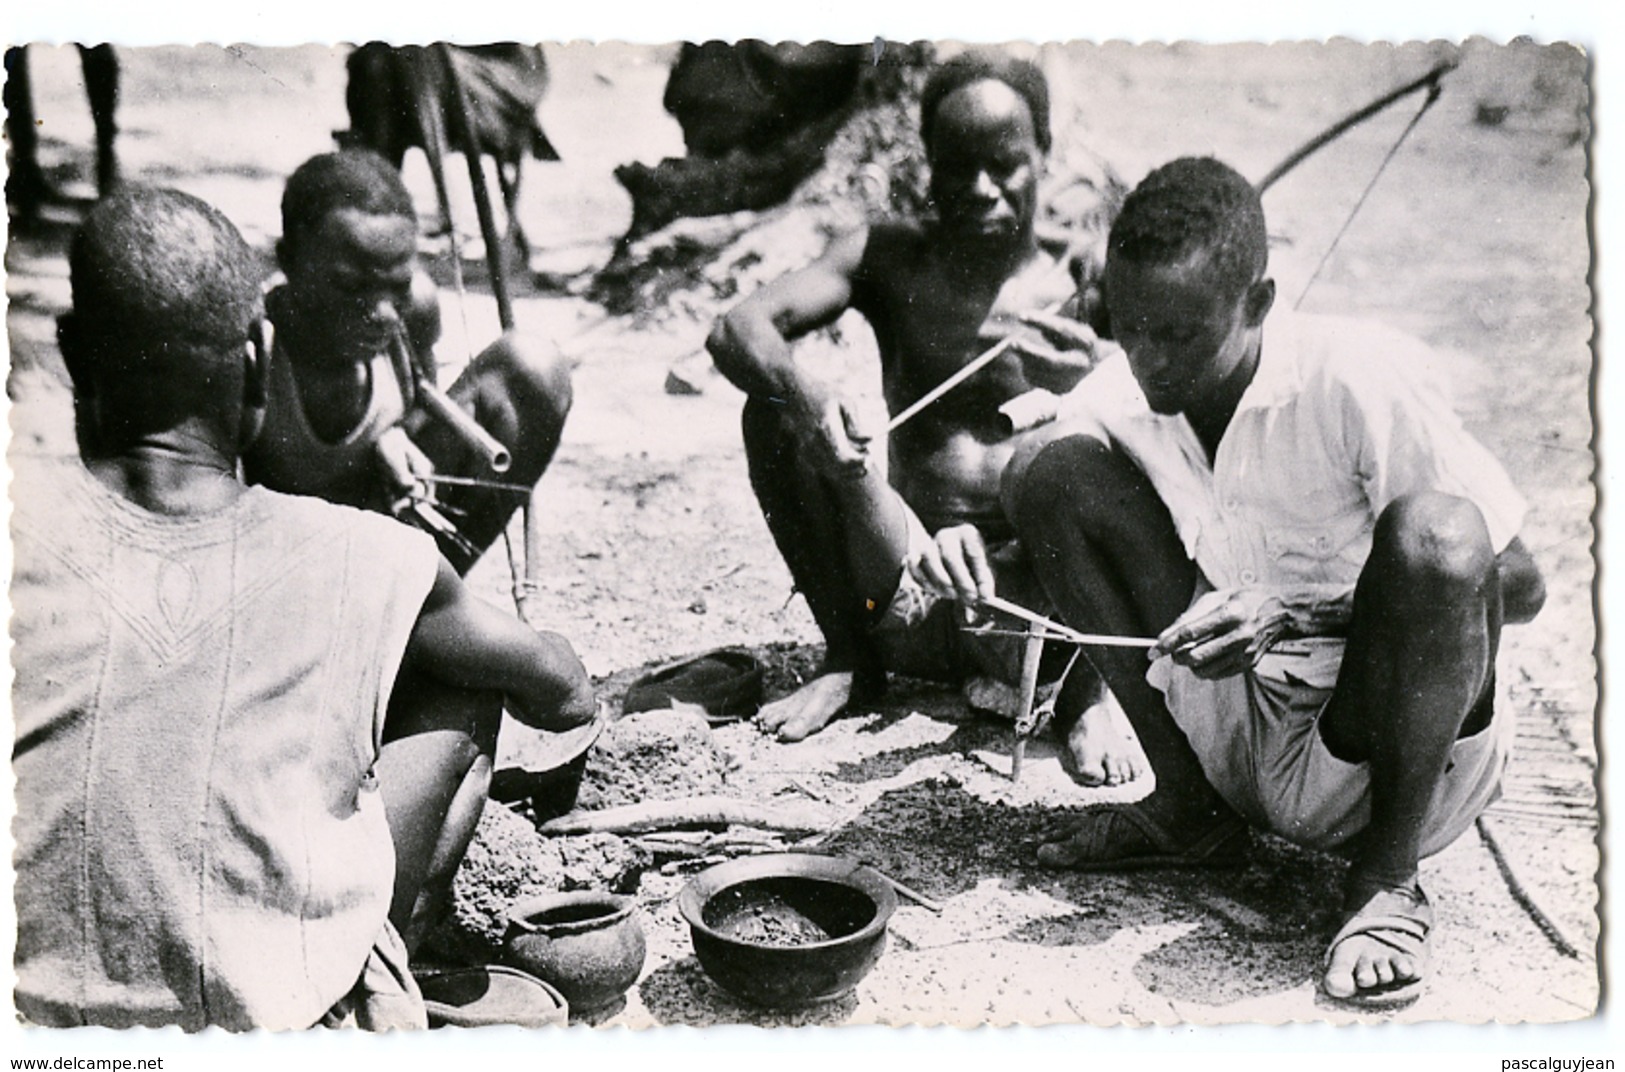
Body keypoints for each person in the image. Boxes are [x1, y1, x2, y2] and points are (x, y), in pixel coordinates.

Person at [11, 186, 596, 1030]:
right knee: (460, 680)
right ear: (257, 354)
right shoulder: (368, 556)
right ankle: (384, 954)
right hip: (274, 1023)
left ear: (72, 354)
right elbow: (563, 693)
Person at [993, 156, 1546, 1006]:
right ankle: (1188, 815)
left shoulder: (1353, 375)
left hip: (1379, 749)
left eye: (1179, 335)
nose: (1147, 360)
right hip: (1237, 737)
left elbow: (1515, 578)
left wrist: (1294, 615)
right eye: (1128, 325)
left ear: (1257, 302)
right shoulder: (1122, 389)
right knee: (1046, 469)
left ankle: (1386, 881)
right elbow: (1038, 520)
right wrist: (946, 550)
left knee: (1437, 536)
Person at [708, 51, 1136, 784]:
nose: (980, 189)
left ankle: (1085, 696)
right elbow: (735, 329)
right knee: (771, 412)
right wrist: (808, 397)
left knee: (1090, 459)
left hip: (1043, 607)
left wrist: (1100, 376)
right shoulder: (889, 256)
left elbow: (1181, 417)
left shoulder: (1085, 276)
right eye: (955, 167)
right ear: (927, 165)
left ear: (1044, 155)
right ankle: (850, 661)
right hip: (903, 578)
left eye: (1004, 165)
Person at [243, 149, 573, 581]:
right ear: (288, 262)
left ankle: (425, 609)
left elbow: (420, 410)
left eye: (395, 287)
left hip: (379, 556)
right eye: (351, 285)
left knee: (533, 368)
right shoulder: (254, 346)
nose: (383, 314)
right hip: (278, 578)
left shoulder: (413, 311)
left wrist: (394, 436)